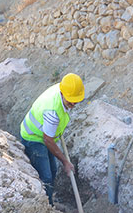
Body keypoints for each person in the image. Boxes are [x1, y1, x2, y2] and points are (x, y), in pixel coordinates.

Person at [20, 73, 85, 205]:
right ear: (62, 93)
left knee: (53, 170)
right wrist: (66, 162)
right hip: (33, 138)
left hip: (45, 136)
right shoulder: (53, 111)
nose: (73, 103)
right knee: (46, 177)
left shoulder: (63, 89)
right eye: (70, 100)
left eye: (75, 100)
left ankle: (50, 200)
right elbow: (47, 139)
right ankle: (47, 207)